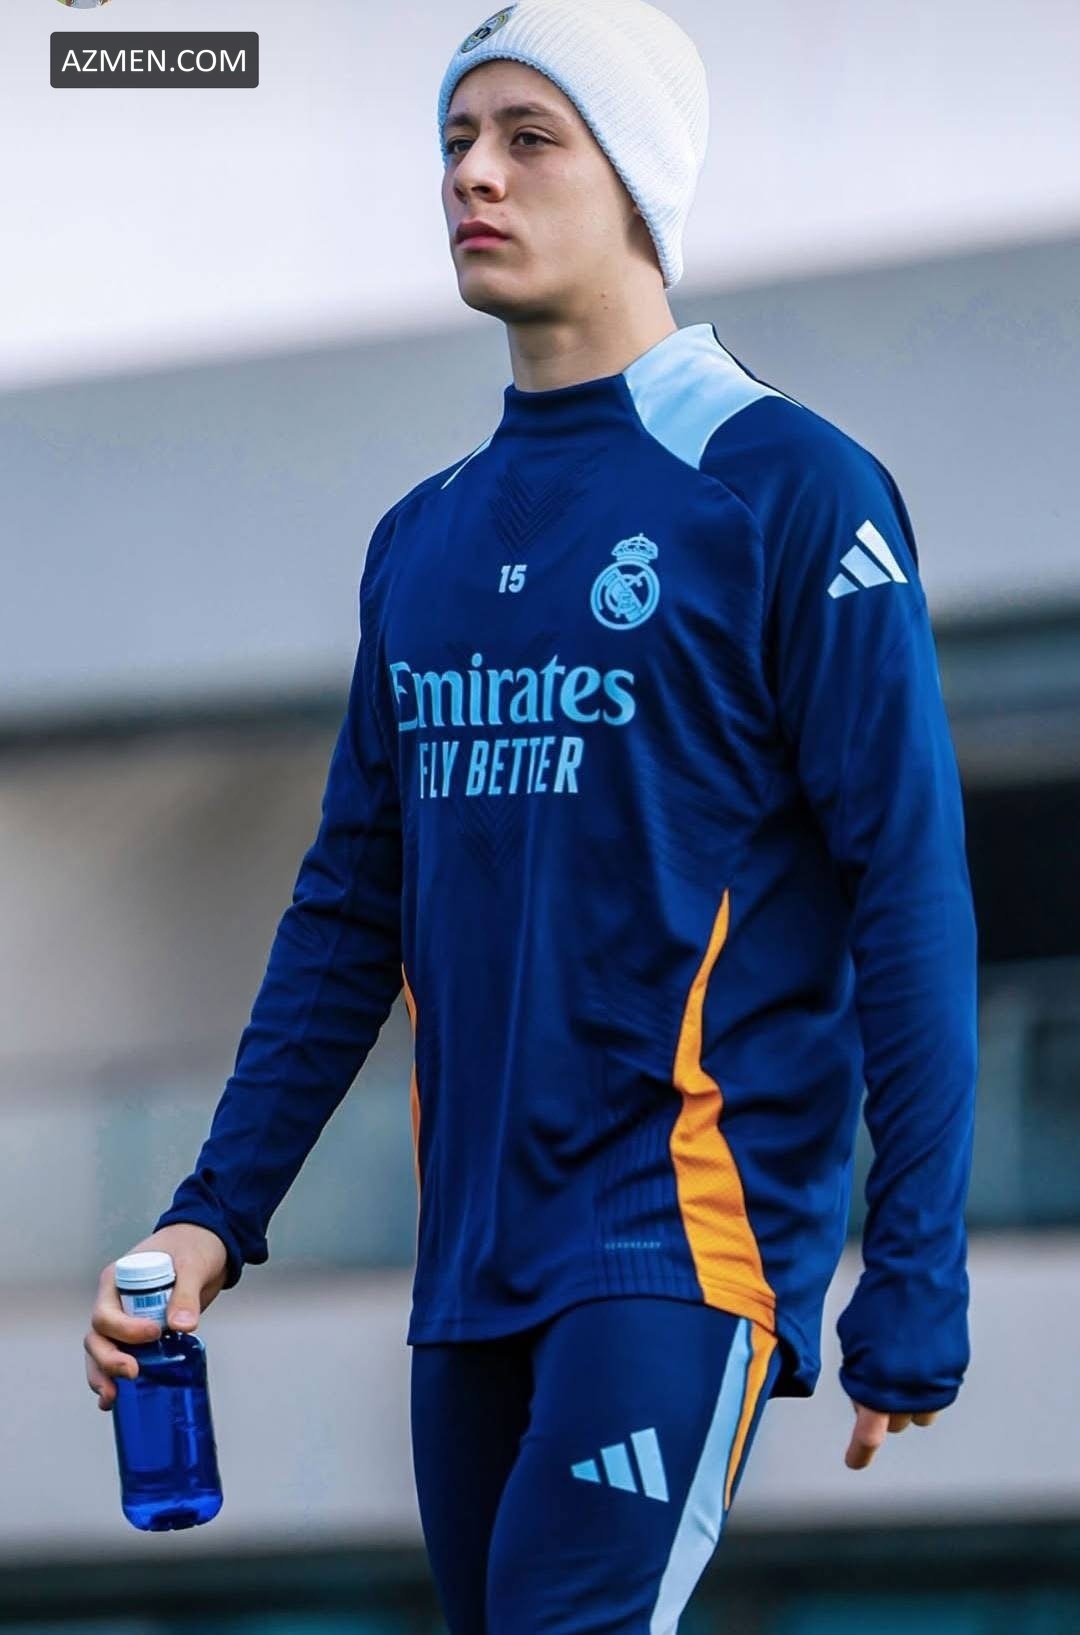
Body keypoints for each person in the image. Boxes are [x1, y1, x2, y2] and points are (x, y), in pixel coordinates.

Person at [84, 1, 979, 1628]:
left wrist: (914, 1268)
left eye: (528, 137)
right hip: (467, 1278)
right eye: (454, 140)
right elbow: (348, 915)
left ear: (638, 177)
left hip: (681, 1240)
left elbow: (908, 892)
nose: (472, 176)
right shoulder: (421, 540)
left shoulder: (789, 489)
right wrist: (210, 1213)